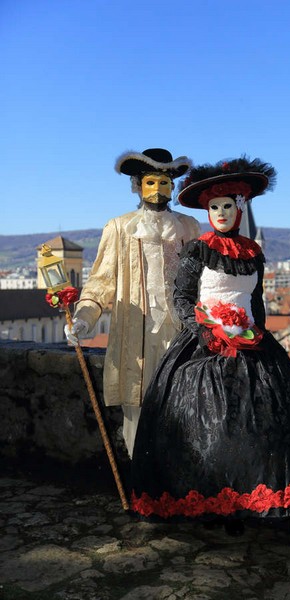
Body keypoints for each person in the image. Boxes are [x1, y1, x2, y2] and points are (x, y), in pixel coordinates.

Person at [129, 156, 290, 535]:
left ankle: (246, 508)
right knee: (209, 428)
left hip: (252, 347)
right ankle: (213, 507)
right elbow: (182, 297)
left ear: (239, 209)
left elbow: (255, 302)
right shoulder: (198, 250)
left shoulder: (253, 254)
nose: (221, 213)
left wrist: (257, 334)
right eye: (214, 208)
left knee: (261, 427)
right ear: (207, 213)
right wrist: (206, 332)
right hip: (204, 347)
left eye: (227, 206)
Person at [65, 148, 200, 456]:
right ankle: (143, 488)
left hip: (180, 333)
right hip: (137, 335)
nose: (158, 189)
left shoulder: (188, 228)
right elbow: (102, 281)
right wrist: (84, 317)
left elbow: (201, 280)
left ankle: (179, 490)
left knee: (183, 408)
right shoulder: (119, 227)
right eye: (151, 182)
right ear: (138, 186)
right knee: (137, 413)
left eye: (164, 182)